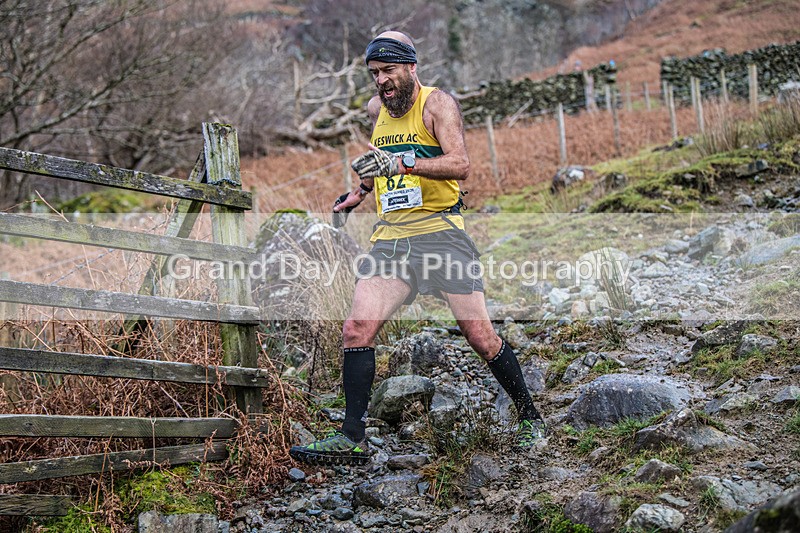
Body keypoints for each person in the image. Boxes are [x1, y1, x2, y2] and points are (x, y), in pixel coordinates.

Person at [290, 31, 546, 466]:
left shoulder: (437, 105)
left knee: (481, 338)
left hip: (441, 233)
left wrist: (408, 162)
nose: (382, 82)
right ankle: (352, 436)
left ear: (411, 67)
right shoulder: (376, 110)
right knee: (356, 328)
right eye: (374, 74)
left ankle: (530, 417)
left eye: (389, 71)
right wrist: (360, 192)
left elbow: (461, 165)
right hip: (393, 236)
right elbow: (379, 161)